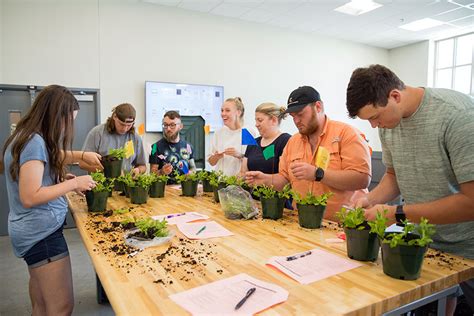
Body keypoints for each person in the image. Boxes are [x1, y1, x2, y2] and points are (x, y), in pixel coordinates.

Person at [346, 64, 474, 313]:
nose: (374, 126)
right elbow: (394, 176)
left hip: (469, 249)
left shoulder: (457, 116)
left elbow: (471, 202)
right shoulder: (389, 124)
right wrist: (370, 199)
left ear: (395, 95)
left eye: (374, 117)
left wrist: (398, 214)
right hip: (426, 245)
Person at [0, 85, 101, 315]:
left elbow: (34, 173)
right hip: (41, 235)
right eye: (68, 121)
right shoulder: (34, 141)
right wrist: (74, 183)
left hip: (30, 231)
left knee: (42, 304)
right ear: (56, 116)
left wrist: (55, 178)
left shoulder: (25, 135)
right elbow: (30, 195)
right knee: (61, 307)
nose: (68, 127)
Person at [245, 86, 371, 220]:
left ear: (318, 107)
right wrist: (264, 179)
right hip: (303, 223)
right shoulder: (293, 142)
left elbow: (362, 179)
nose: (296, 121)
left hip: (343, 226)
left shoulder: (346, 134)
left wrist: (318, 174)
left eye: (300, 114)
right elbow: (284, 180)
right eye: (293, 117)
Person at [79, 103, 146, 176]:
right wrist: (108, 170)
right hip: (101, 183)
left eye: (129, 125)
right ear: (114, 117)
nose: (124, 129)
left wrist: (138, 170)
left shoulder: (135, 138)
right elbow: (82, 163)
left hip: (126, 184)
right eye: (122, 124)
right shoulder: (97, 133)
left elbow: (142, 166)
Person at [208, 97, 256, 176]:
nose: (223, 114)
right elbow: (211, 162)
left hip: (239, 183)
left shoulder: (246, 132)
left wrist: (238, 155)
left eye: (227, 110)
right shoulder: (219, 133)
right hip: (220, 182)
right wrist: (216, 157)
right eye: (222, 110)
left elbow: (254, 161)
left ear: (238, 112)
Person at [241, 102, 291, 175]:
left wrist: (264, 179)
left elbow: (286, 176)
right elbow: (243, 172)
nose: (256, 124)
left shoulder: (285, 141)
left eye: (260, 120)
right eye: (256, 120)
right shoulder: (253, 143)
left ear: (274, 120)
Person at [149, 110, 196, 183]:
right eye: (165, 125)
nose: (168, 129)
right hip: (165, 191)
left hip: (184, 189)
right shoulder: (155, 147)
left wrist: (190, 173)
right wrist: (162, 172)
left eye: (172, 125)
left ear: (180, 126)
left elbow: (193, 168)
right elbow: (152, 175)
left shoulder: (188, 146)